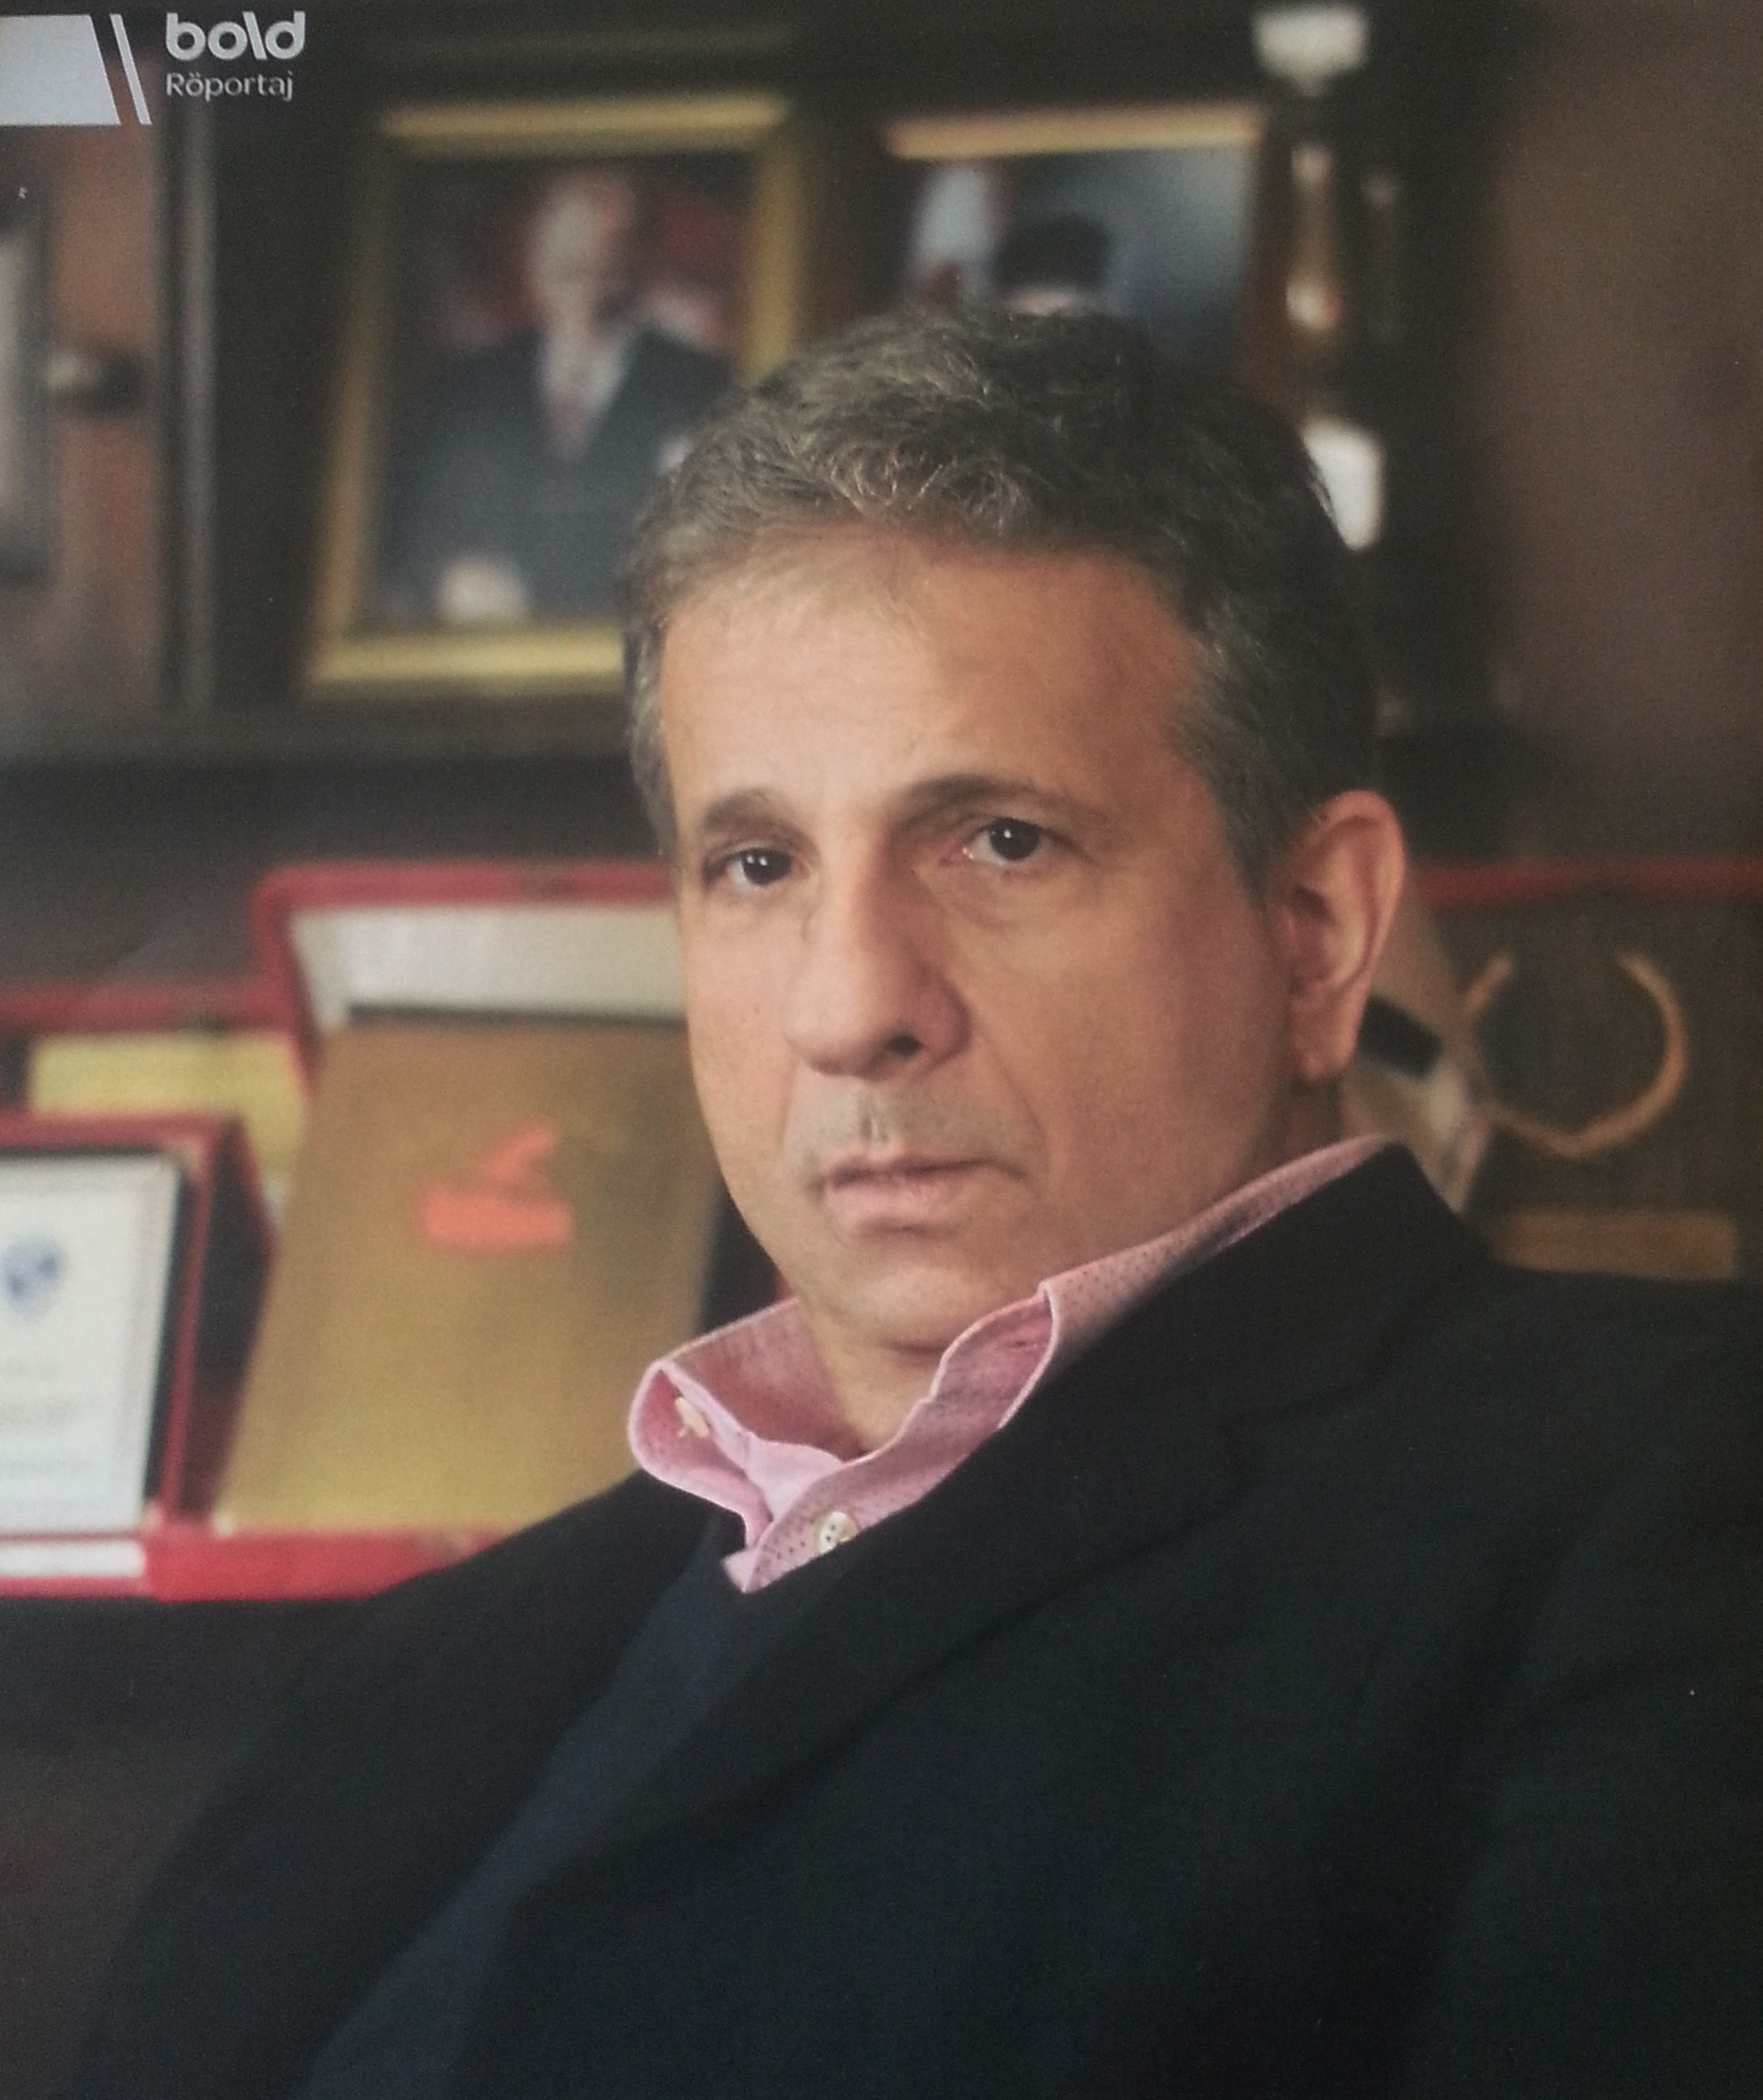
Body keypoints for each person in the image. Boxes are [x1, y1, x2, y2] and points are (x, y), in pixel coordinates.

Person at [66, 308, 1761, 2099]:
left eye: (1000, 842)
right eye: (758, 864)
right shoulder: (422, 1667)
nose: (849, 1002)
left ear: (1317, 931)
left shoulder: (1655, 1484)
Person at [377, 169, 730, 626]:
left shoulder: (696, 384)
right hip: (485, 652)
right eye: (568, 268)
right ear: (535, 263)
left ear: (638, 267)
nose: (584, 289)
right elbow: (407, 534)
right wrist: (444, 577)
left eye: (602, 268)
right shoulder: (470, 387)